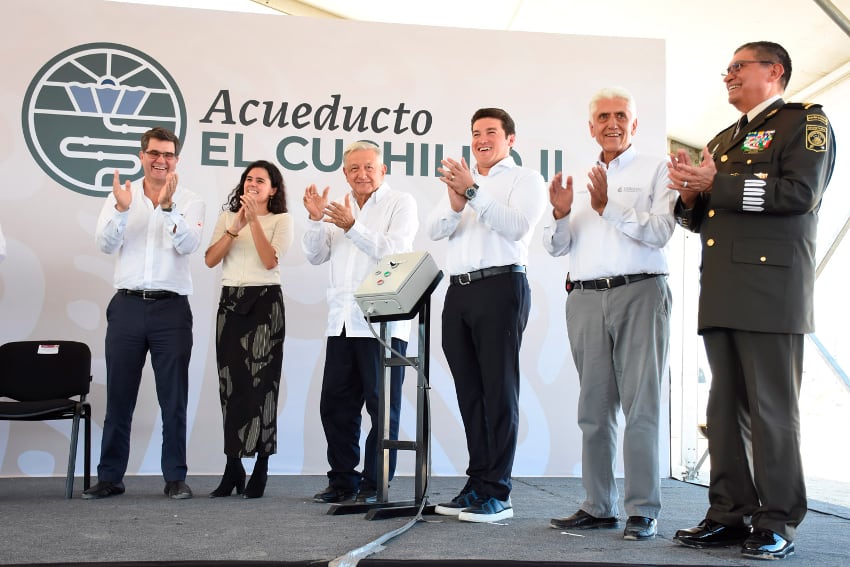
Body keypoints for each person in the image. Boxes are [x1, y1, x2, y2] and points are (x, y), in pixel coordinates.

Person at [669, 41, 835, 561]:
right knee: (723, 411)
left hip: (772, 290)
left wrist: (718, 183)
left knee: (771, 412)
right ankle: (729, 513)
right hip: (723, 289)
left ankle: (778, 519)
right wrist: (691, 197)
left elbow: (799, 193)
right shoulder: (721, 139)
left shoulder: (804, 122)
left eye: (739, 67)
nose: (728, 76)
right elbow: (700, 220)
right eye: (728, 69)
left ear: (775, 71)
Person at [542, 87, 676, 540]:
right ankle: (598, 505)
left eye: (621, 115)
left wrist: (609, 208)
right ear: (591, 126)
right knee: (593, 410)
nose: (612, 122)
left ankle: (642, 510)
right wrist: (560, 214)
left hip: (639, 292)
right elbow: (556, 246)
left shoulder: (657, 167)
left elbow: (660, 231)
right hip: (583, 298)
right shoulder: (580, 178)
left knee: (641, 407)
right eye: (603, 116)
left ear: (634, 124)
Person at [428, 108, 546, 523]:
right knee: (470, 393)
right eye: (475, 132)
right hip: (458, 291)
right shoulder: (459, 180)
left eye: (491, 132)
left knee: (499, 390)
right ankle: (477, 482)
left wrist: (474, 190)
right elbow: (436, 230)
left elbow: (516, 227)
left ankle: (499, 492)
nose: (481, 139)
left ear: (510, 139)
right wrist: (457, 201)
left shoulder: (525, 179)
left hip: (501, 287)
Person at [85, 126, 205, 500]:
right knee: (119, 396)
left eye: (168, 155)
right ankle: (110, 477)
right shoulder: (122, 195)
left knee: (174, 398)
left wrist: (169, 208)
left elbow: (189, 244)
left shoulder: (191, 199)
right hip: (127, 307)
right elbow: (105, 244)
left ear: (176, 159)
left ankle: (175, 478)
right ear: (142, 155)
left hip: (172, 310)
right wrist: (121, 210)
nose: (161, 160)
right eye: (154, 153)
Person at [303, 141, 418, 504]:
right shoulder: (339, 206)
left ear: (383, 170)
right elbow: (315, 255)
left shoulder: (400, 203)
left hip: (382, 324)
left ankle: (374, 484)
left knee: (382, 408)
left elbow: (395, 254)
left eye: (368, 167)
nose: (361, 174)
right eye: (354, 168)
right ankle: (342, 481)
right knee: (335, 406)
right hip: (341, 322)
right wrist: (314, 218)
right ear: (344, 173)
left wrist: (352, 227)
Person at [204, 160, 293, 499]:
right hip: (231, 302)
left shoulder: (282, 220)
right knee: (231, 386)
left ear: (273, 189)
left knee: (262, 387)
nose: (252, 184)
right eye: (248, 179)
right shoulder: (228, 218)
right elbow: (211, 260)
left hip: (265, 303)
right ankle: (232, 466)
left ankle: (262, 466)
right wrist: (236, 225)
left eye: (261, 180)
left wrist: (254, 221)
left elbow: (270, 260)